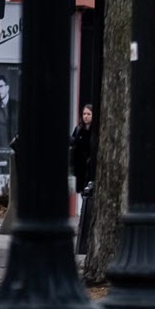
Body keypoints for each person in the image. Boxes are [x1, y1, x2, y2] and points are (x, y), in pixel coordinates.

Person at [70, 105, 96, 255]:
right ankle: (82, 218)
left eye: (89, 114)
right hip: (80, 168)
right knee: (81, 192)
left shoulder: (95, 131)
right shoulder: (78, 130)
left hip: (90, 168)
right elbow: (74, 147)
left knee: (88, 192)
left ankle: (85, 219)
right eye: (84, 113)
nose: (86, 116)